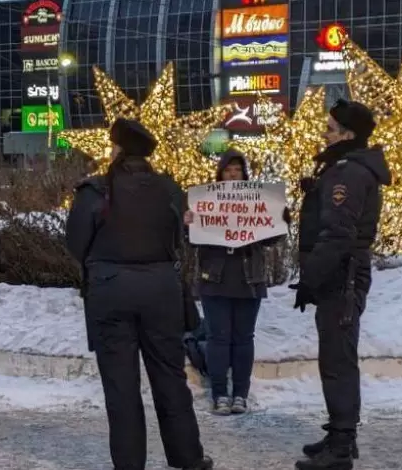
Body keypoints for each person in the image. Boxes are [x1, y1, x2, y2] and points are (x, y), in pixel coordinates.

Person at [65, 118, 213, 470]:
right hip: (161, 291)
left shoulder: (95, 191)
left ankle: (130, 463)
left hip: (110, 292)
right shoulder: (169, 189)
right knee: (170, 376)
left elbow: (76, 244)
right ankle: (188, 457)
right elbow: (179, 238)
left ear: (116, 149)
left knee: (121, 385)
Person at [291, 100, 392, 470]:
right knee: (334, 357)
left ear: (348, 135)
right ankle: (338, 433)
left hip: (342, 276)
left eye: (331, 128)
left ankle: (342, 445)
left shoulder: (348, 173)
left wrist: (310, 279)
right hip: (340, 273)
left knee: (338, 360)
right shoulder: (341, 169)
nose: (324, 132)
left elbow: (338, 234)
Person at [183, 148, 290, 416]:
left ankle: (240, 393)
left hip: (248, 279)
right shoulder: (205, 201)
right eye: (228, 170)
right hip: (215, 280)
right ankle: (220, 394)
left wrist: (280, 221)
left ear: (244, 174)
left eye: (237, 170)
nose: (232, 174)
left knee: (243, 339)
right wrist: (188, 225)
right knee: (219, 339)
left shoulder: (258, 201)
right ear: (220, 174)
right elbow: (192, 240)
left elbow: (269, 239)